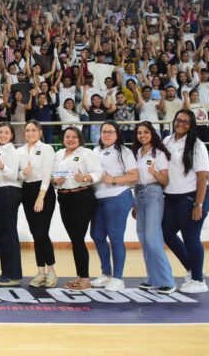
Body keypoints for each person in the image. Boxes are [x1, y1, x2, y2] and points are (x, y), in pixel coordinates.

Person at [162, 109, 209, 293]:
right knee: (166, 232)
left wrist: (198, 205)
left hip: (192, 197)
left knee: (191, 237)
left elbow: (202, 177)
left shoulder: (197, 146)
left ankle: (199, 281)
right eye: (178, 120)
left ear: (191, 125)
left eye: (185, 121)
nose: (180, 124)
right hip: (172, 197)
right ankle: (193, 268)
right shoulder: (167, 140)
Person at [90, 120, 139, 292]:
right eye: (104, 131)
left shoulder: (123, 151)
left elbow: (134, 175)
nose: (106, 134)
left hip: (118, 197)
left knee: (115, 237)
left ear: (117, 134)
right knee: (96, 235)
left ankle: (118, 278)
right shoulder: (95, 151)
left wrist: (114, 180)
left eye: (110, 132)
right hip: (98, 199)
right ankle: (106, 274)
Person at [52, 127, 102, 290]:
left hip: (82, 197)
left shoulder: (86, 153)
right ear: (63, 138)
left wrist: (86, 177)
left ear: (80, 139)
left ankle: (85, 280)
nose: (71, 139)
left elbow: (98, 172)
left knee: (78, 239)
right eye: (67, 136)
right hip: (64, 198)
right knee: (75, 240)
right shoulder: (58, 154)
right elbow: (53, 176)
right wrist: (55, 181)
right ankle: (80, 276)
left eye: (74, 136)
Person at [131, 122, 177, 294]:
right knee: (143, 238)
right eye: (139, 132)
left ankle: (167, 281)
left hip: (153, 193)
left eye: (146, 132)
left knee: (153, 238)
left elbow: (165, 180)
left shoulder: (159, 153)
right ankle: (152, 279)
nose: (142, 135)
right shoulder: (136, 153)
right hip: (139, 194)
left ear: (152, 133)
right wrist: (135, 204)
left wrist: (154, 172)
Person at [17, 120, 57, 288]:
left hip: (43, 192)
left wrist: (41, 196)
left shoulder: (47, 149)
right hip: (26, 192)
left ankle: (52, 271)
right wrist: (22, 173)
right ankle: (40, 272)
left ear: (40, 132)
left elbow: (47, 174)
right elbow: (16, 175)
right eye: (27, 130)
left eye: (34, 130)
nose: (30, 133)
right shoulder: (19, 151)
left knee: (41, 233)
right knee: (35, 234)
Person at [0, 122, 22, 286]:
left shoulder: (13, 152)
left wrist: (3, 167)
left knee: (8, 233)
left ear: (12, 135)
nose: (2, 135)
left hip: (9, 191)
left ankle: (13, 274)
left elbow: (15, 175)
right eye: (0, 132)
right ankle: (6, 271)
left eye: (6, 132)